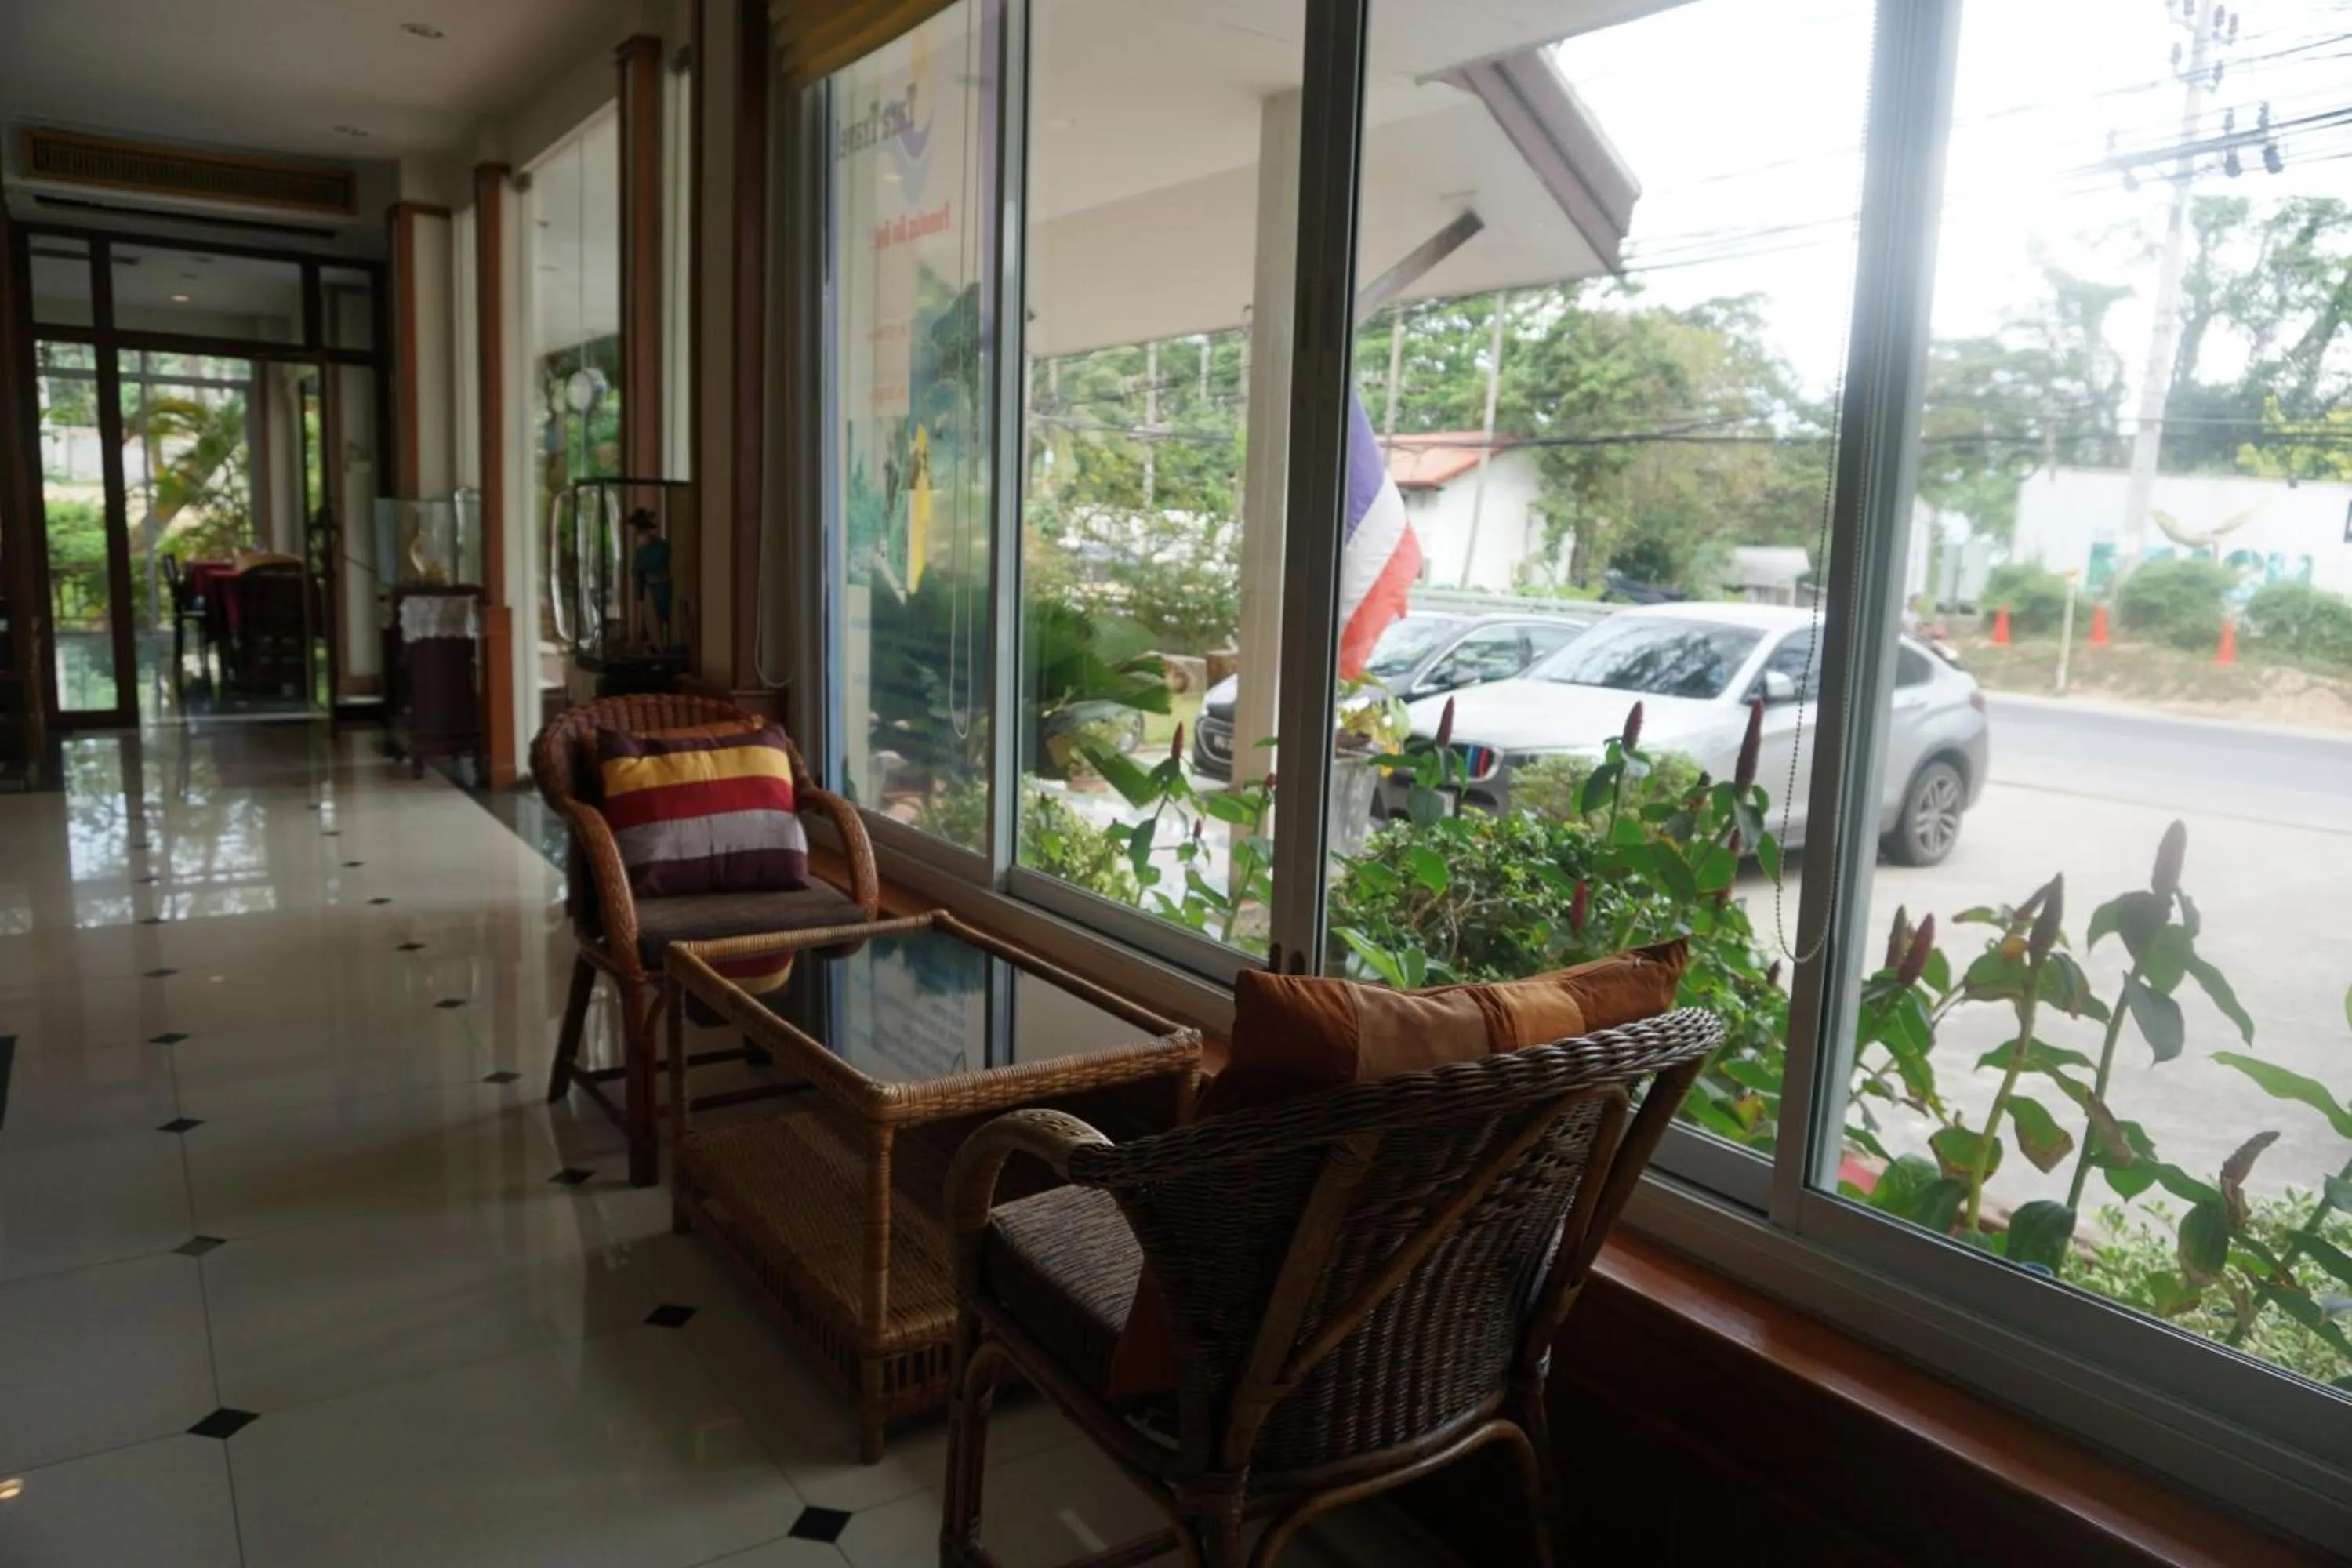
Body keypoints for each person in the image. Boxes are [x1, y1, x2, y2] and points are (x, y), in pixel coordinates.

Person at [628, 510, 673, 651]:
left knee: (660, 619)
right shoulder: (642, 549)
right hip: (651, 586)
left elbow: (655, 565)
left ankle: (661, 647)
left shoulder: (661, 547)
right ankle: (657, 645)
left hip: (661, 585)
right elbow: (636, 571)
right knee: (652, 620)